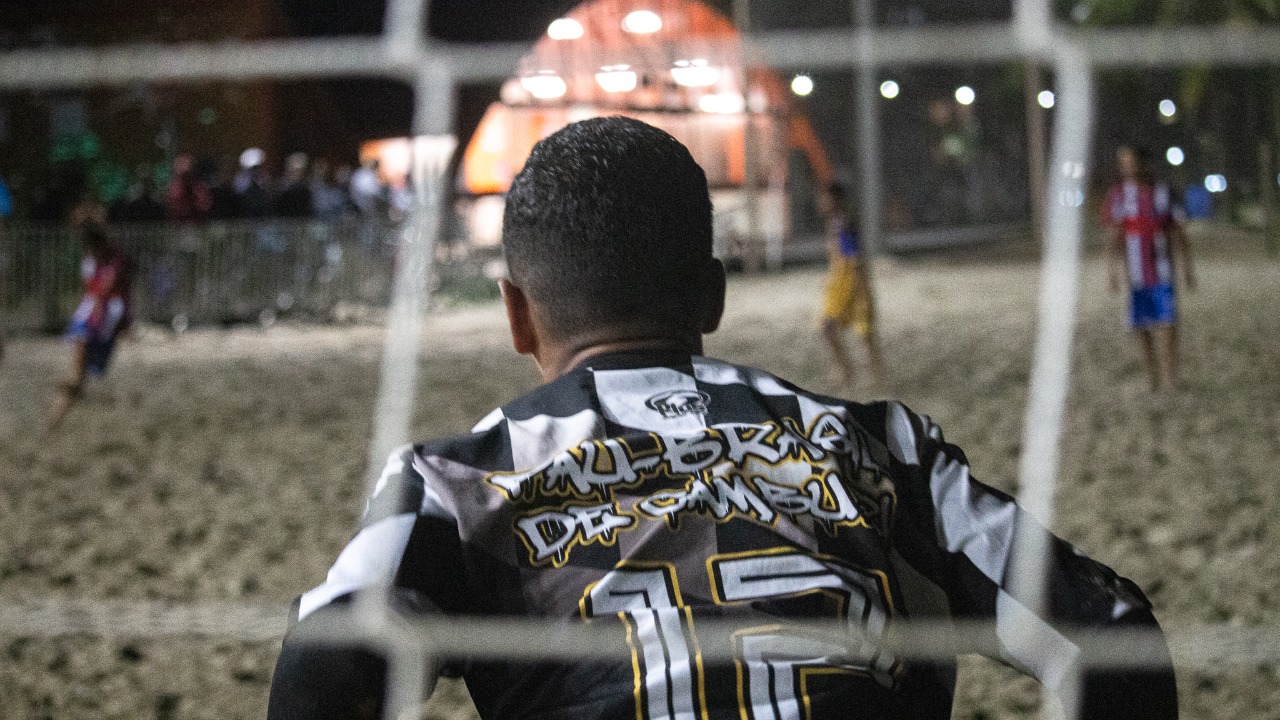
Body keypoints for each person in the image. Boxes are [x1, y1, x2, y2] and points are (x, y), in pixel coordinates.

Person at [267, 117, 1177, 720]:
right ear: (712, 296)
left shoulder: (457, 484)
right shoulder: (882, 447)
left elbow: (320, 670)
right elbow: (1114, 637)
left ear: (516, 314)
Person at [1102, 145, 1195, 391]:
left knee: (1168, 321)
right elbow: (1116, 234)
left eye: (1131, 162)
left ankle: (1171, 376)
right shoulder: (1119, 195)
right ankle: (1152, 375)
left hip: (1162, 268)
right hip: (1136, 272)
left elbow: (1178, 231)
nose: (1127, 168)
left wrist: (1187, 267)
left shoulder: (1164, 193)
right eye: (1123, 164)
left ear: (1143, 163)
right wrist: (1112, 270)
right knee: (1141, 324)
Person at [48, 220, 133, 429]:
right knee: (80, 374)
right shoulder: (99, 260)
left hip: (101, 318)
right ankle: (56, 417)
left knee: (81, 375)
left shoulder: (112, 260)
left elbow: (106, 289)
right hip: (95, 319)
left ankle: (59, 412)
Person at [819, 182, 884, 388]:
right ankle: (854, 371)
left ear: (836, 200)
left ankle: (866, 373)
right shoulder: (837, 222)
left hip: (848, 285)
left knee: (859, 331)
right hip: (841, 284)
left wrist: (860, 284)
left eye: (826, 198)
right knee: (850, 331)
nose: (821, 202)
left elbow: (853, 257)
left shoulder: (843, 224)